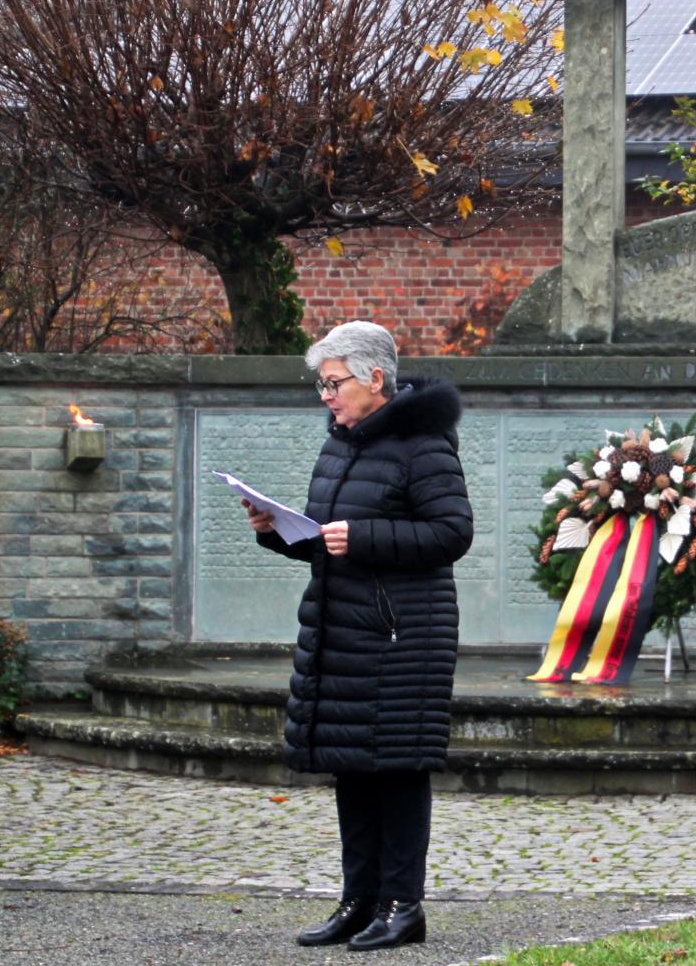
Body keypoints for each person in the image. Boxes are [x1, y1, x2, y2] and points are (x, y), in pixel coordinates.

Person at [243, 320, 471, 952]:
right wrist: (276, 530)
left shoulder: (423, 445)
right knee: (353, 768)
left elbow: (452, 533)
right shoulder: (340, 444)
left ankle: (403, 906)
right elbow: (326, 540)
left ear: (374, 378)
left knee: (397, 769)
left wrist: (364, 537)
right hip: (343, 628)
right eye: (321, 385)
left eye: (334, 383)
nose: (327, 396)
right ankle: (359, 901)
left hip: (403, 635)